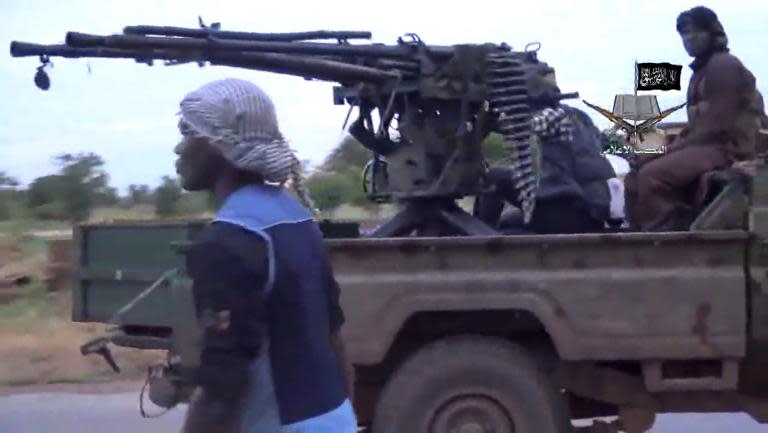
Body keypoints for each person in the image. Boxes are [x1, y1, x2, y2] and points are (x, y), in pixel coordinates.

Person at [174, 78, 356, 433]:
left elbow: (222, 390)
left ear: (219, 144)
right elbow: (334, 342)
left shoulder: (228, 241)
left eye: (188, 132)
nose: (179, 149)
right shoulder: (297, 217)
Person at [624, 6, 767, 231]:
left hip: (727, 149)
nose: (688, 39)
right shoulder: (702, 71)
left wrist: (669, 152)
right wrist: (661, 150)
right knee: (634, 175)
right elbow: (697, 127)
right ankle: (639, 234)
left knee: (652, 175)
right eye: (684, 34)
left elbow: (716, 128)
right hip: (707, 145)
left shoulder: (723, 66)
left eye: (694, 32)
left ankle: (672, 232)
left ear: (712, 32)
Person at [474, 101, 616, 234]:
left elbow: (515, 126)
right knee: (506, 221)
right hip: (592, 216)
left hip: (566, 211)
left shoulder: (551, 115)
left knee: (494, 177)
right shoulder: (581, 117)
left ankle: (480, 242)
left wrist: (484, 117)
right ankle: (487, 235)